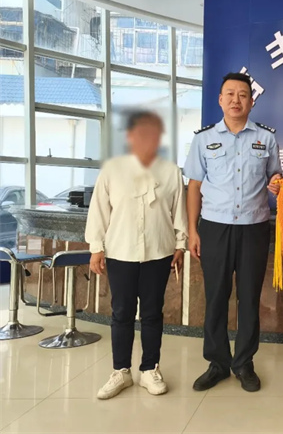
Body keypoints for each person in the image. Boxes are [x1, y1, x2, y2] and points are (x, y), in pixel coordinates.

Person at [184, 72, 282, 393]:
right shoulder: (203, 139)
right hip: (215, 227)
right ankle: (217, 363)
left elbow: (275, 176)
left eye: (242, 95)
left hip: (254, 228)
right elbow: (194, 187)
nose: (236, 100)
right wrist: (192, 230)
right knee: (216, 297)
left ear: (252, 101)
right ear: (220, 100)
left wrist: (277, 182)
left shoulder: (266, 138)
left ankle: (244, 363)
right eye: (230, 94)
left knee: (249, 298)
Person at [86, 111, 188, 400]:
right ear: (129, 136)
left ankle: (149, 370)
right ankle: (121, 371)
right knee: (121, 313)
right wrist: (96, 247)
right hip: (120, 251)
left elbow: (178, 212)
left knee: (153, 312)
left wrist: (180, 245)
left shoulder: (170, 171)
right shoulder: (112, 170)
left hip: (159, 252)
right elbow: (99, 210)